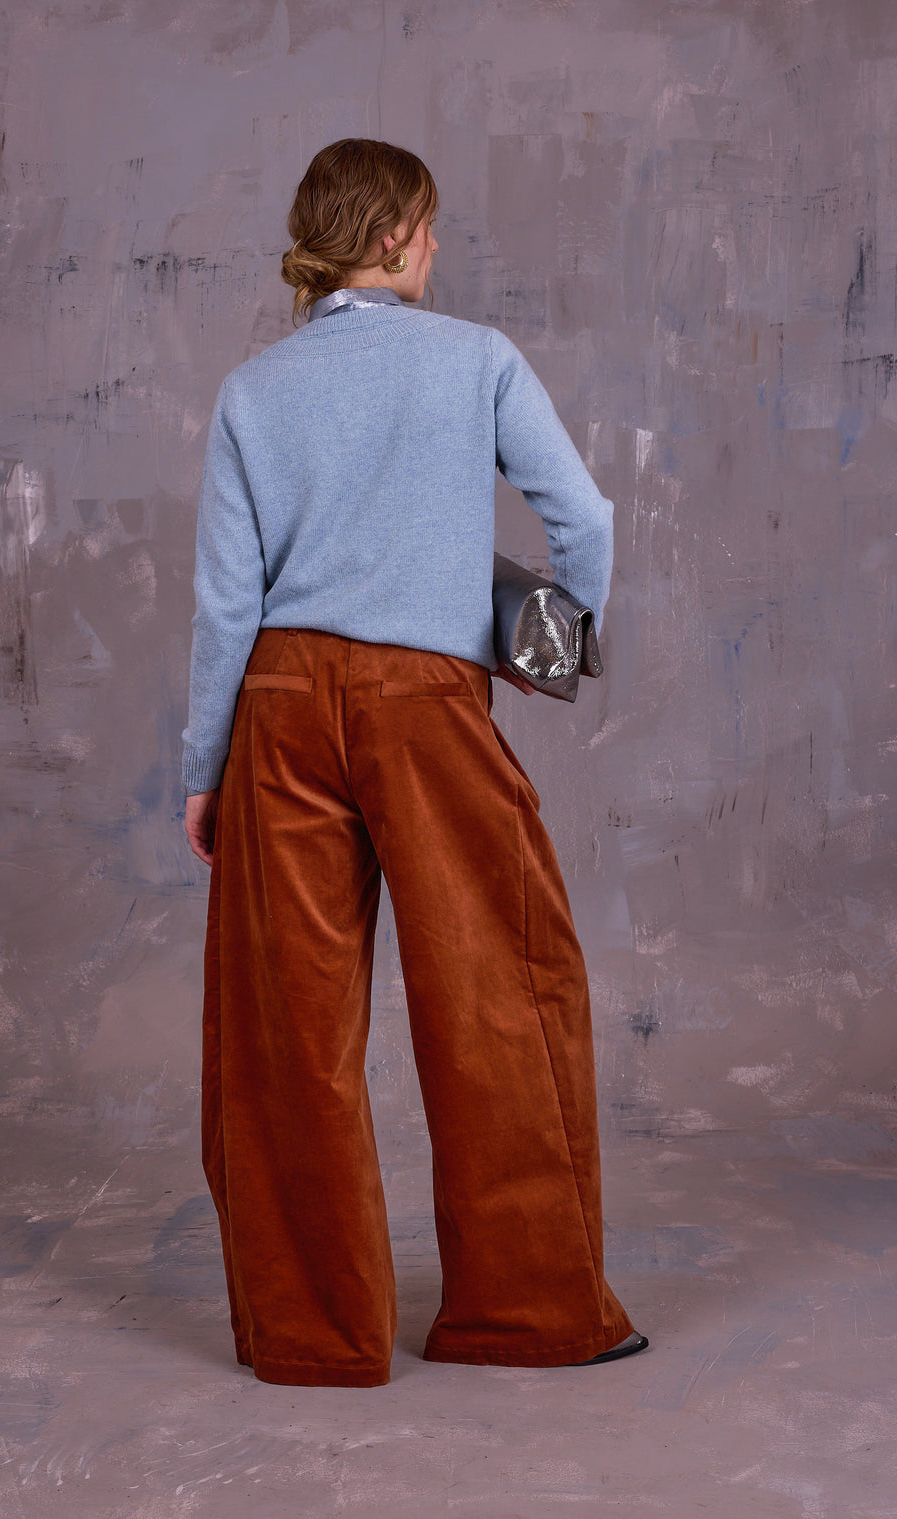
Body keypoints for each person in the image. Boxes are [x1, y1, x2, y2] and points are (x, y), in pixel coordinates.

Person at [182, 138, 646, 1388]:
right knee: (498, 990)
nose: (437, 248)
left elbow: (226, 602)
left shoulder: (251, 390)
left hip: (279, 705)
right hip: (424, 703)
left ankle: (312, 1332)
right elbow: (583, 518)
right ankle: (526, 1311)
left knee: (286, 1026)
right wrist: (554, 645)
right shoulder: (474, 358)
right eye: (428, 227)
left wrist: (205, 766)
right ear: (390, 235)